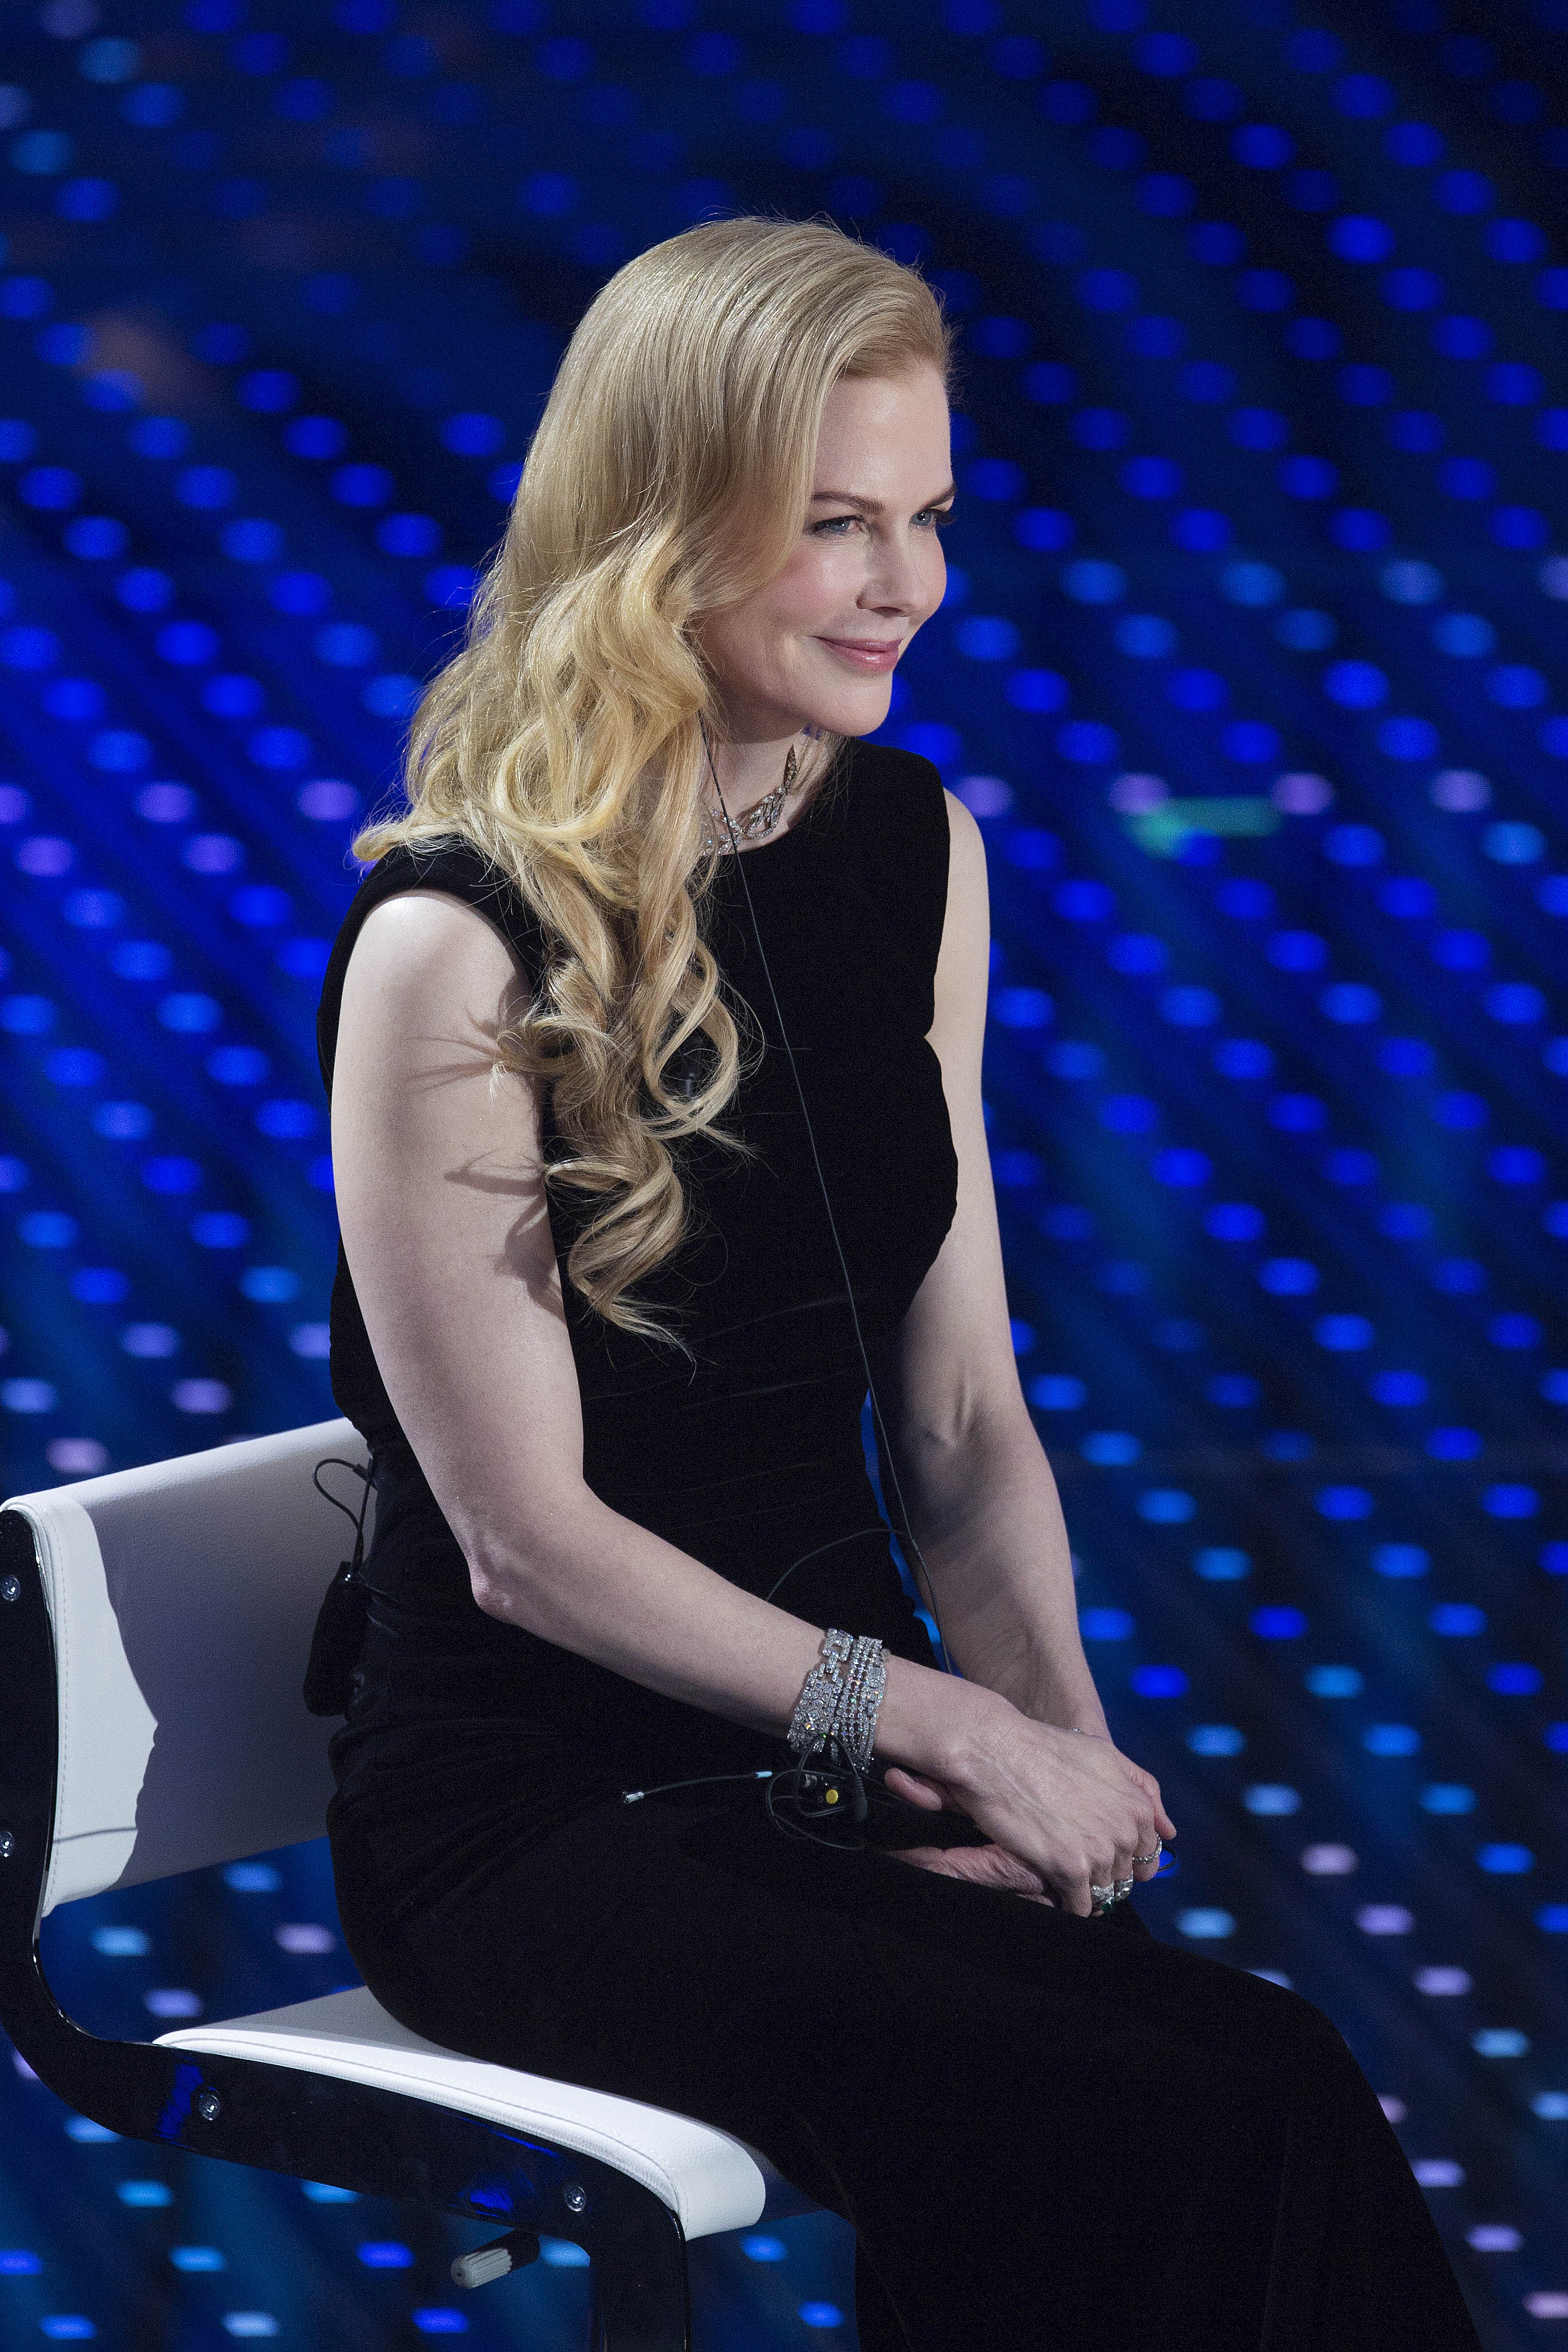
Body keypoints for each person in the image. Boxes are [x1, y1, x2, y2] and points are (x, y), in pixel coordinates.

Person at [315, 217, 1481, 2349]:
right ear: (661, 528)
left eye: (929, 517)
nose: (909, 584)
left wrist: (1063, 1777)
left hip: (833, 1765)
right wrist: (939, 1720)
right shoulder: (452, 948)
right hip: (542, 1822)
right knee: (1193, 2109)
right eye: (836, 523)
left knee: (1220, 2074)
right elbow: (521, 1545)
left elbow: (959, 1419)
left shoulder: (912, 844)